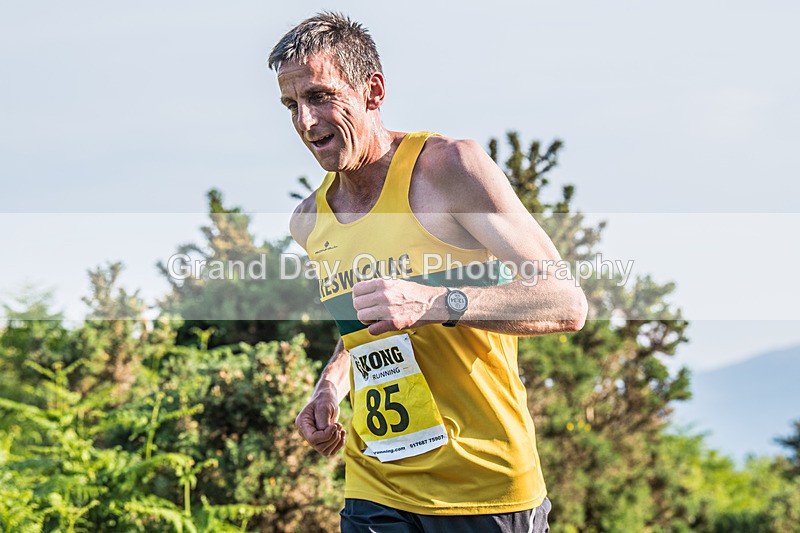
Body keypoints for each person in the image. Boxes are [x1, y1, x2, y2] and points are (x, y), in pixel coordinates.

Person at [268, 12, 587, 533]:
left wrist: (436, 302)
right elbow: (364, 328)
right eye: (291, 105)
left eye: (321, 96)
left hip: (484, 487)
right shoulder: (309, 221)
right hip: (377, 484)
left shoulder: (449, 170)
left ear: (373, 90)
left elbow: (565, 302)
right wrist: (332, 382)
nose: (305, 122)